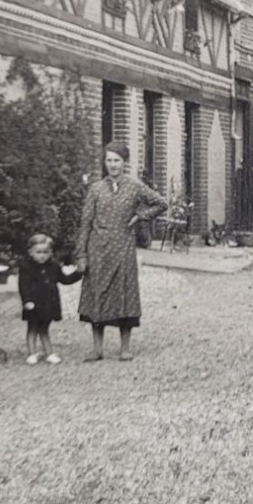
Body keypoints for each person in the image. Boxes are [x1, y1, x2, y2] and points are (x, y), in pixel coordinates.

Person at [76, 142, 168, 362]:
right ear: (104, 162)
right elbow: (85, 223)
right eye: (109, 160)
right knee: (96, 295)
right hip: (97, 250)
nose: (113, 165)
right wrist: (81, 254)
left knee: (124, 296)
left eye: (117, 160)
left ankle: (125, 348)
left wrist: (140, 216)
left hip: (123, 249)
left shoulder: (134, 187)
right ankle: (97, 349)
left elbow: (161, 203)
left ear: (124, 162)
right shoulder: (96, 189)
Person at [16, 232, 82, 365]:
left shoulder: (54, 266)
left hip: (49, 303)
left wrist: (79, 273)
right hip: (34, 303)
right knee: (33, 328)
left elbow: (65, 280)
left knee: (45, 329)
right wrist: (27, 300)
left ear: (51, 252)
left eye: (46, 252)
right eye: (39, 252)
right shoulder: (26, 267)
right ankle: (32, 353)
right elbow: (23, 286)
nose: (42, 255)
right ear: (31, 252)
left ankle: (49, 353)